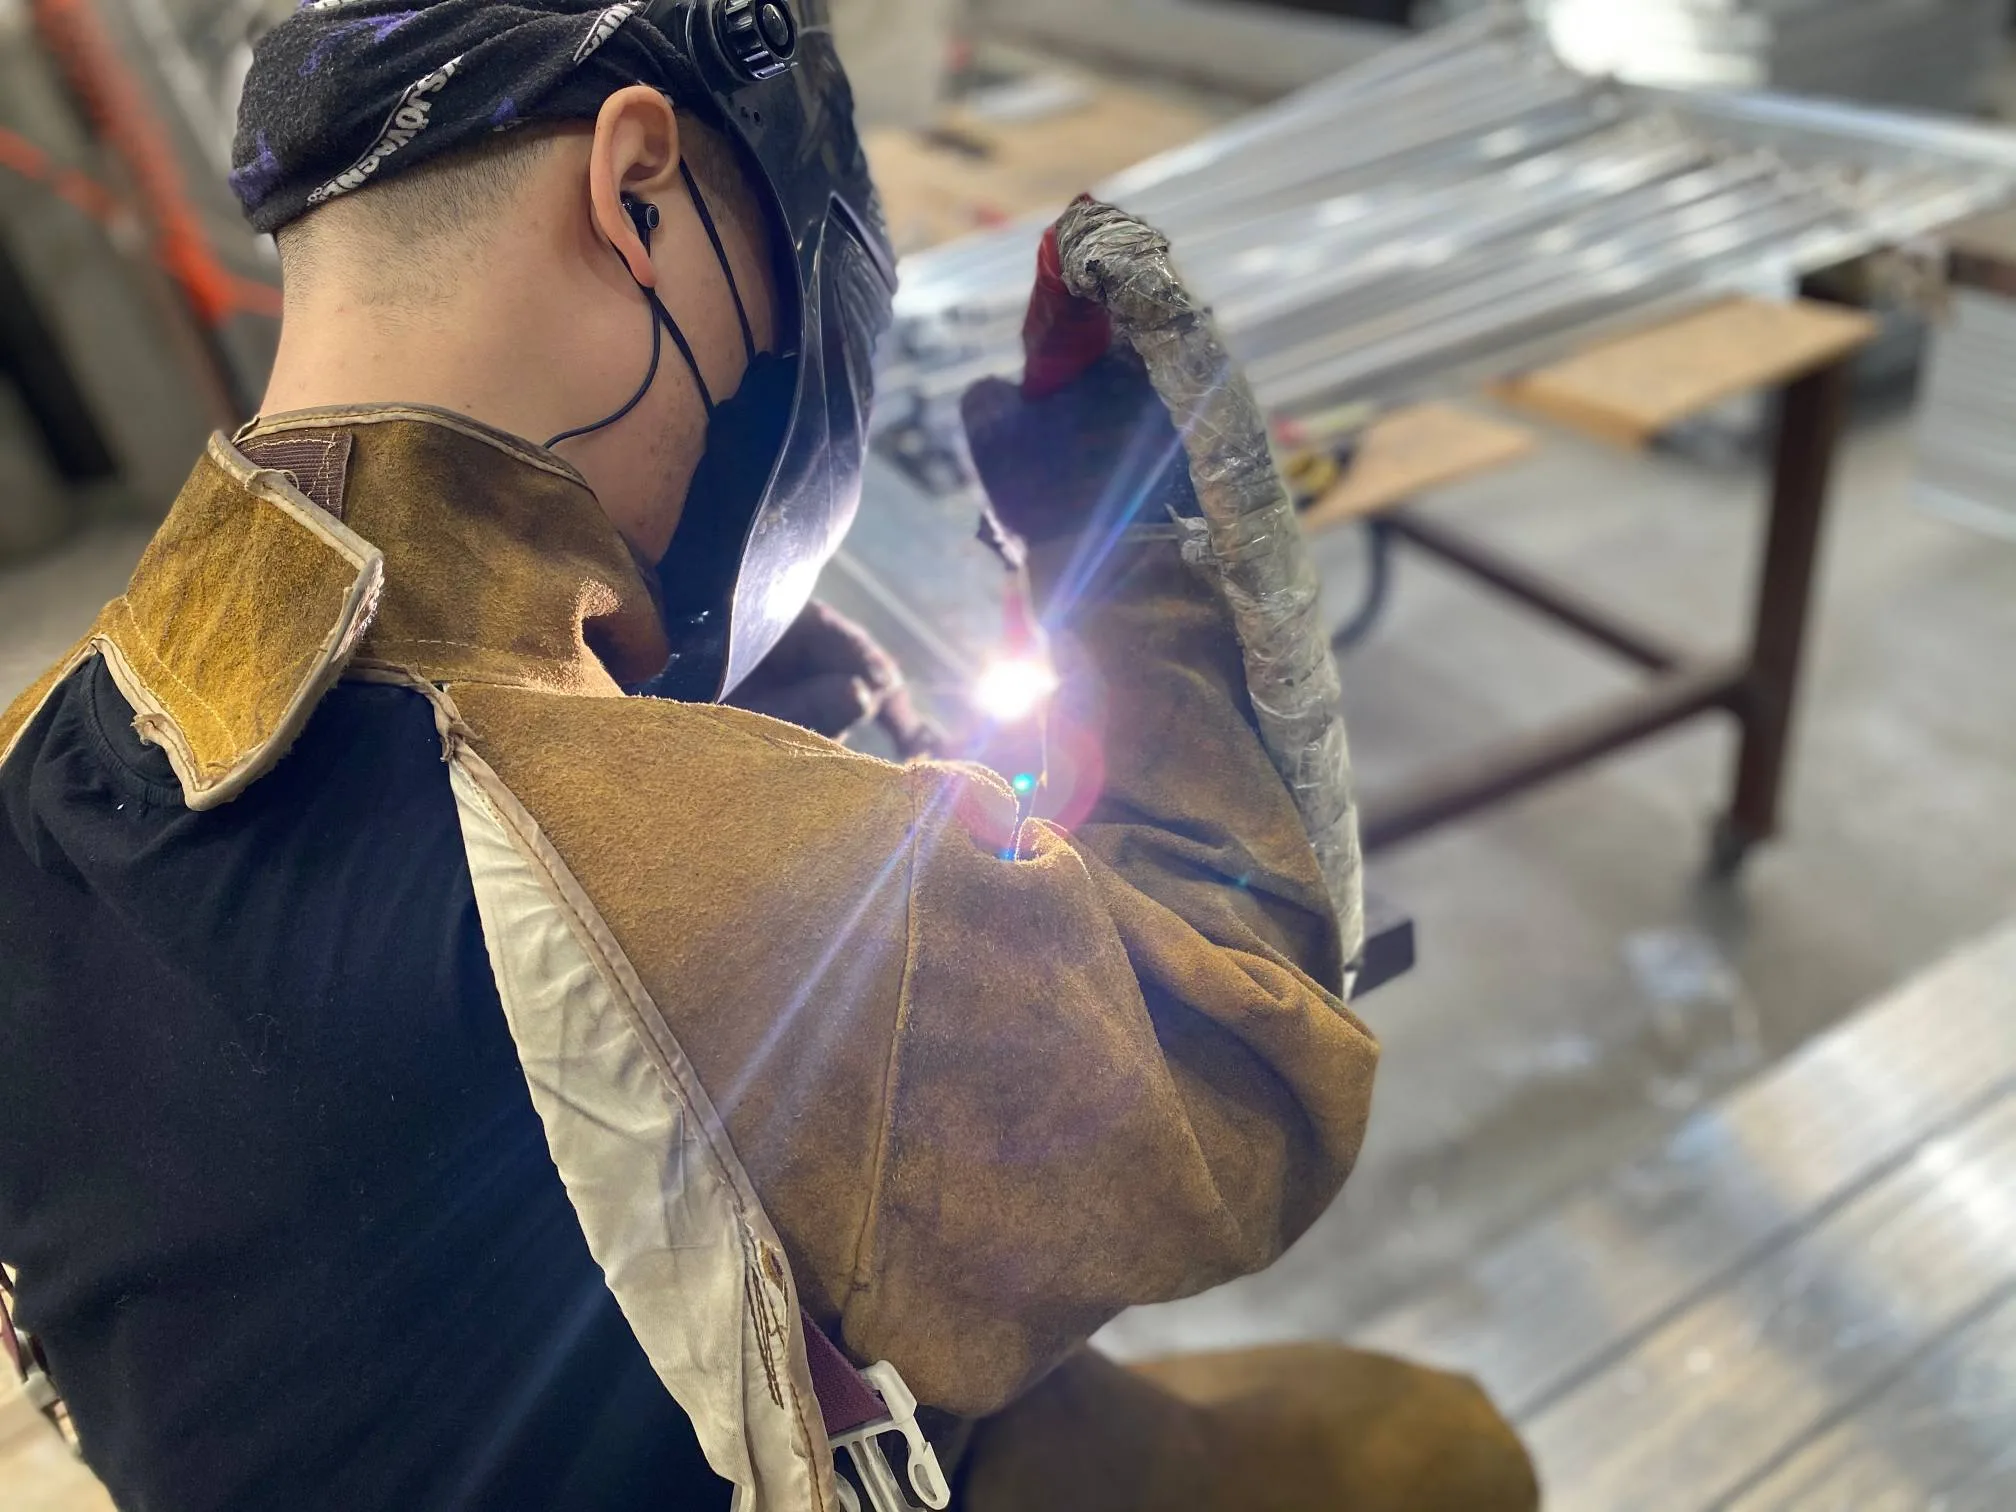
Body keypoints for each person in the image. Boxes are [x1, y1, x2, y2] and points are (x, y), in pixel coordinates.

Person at [0, 1, 1537, 1508]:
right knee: (1441, 1453)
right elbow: (1247, 1073)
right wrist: (1145, 564)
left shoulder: (38, 755)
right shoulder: (647, 847)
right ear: (634, 188)